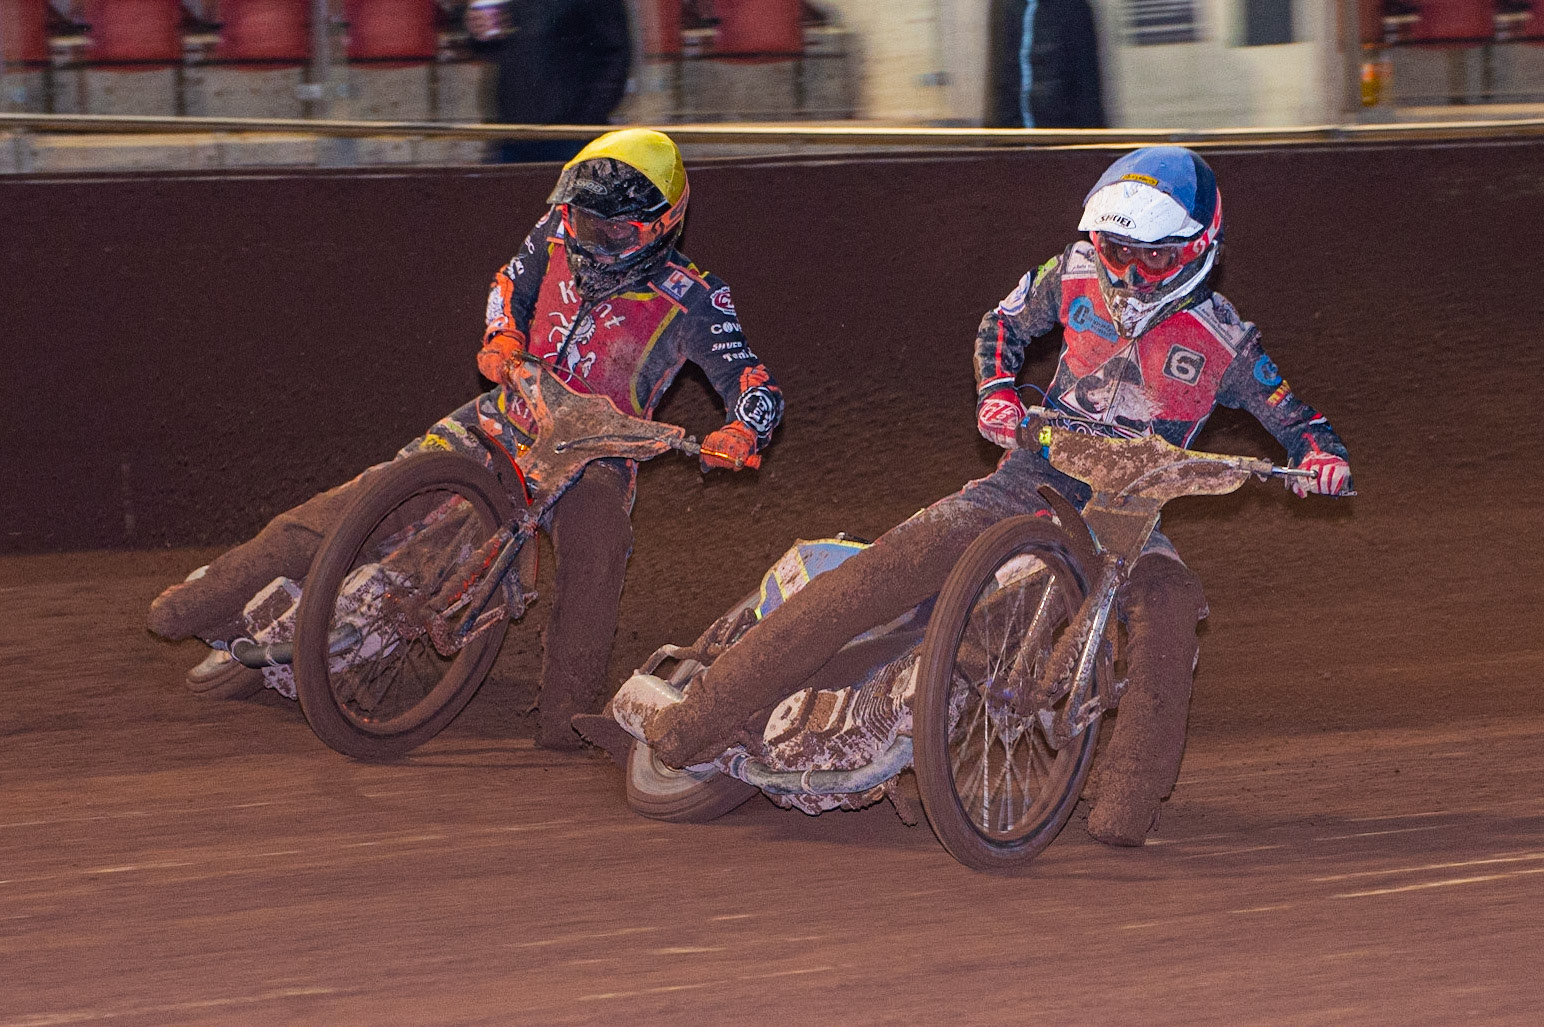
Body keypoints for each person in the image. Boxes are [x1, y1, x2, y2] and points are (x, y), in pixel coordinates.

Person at [640, 146, 1351, 845]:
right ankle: (693, 723)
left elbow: (1301, 422)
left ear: (1201, 249)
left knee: (1169, 607)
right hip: (1028, 476)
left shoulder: (1226, 340)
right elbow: (1001, 325)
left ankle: (1123, 808)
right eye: (1115, 251)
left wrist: (1321, 460)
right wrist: (998, 394)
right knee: (884, 570)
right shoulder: (1072, 273)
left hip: (1127, 514)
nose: (1129, 276)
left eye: (1154, 260)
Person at [148, 128, 784, 750]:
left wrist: (742, 427)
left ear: (663, 223)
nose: (593, 241)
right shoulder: (554, 233)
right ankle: (203, 601)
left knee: (599, 548)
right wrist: (503, 337)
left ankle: (566, 715)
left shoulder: (697, 299)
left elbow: (754, 383)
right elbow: (509, 281)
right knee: (368, 497)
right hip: (504, 414)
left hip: (598, 453)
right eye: (585, 223)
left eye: (615, 231)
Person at [464, 0, 632, 163]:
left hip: (568, 135)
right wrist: (478, 32)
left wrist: (587, 118)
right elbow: (501, 43)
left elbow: (615, 55)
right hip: (510, 132)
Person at [987, 0, 1107, 129]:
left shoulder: (1073, 8)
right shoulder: (1012, 8)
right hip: (1017, 132)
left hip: (1062, 132)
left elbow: (1087, 83)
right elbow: (1007, 79)